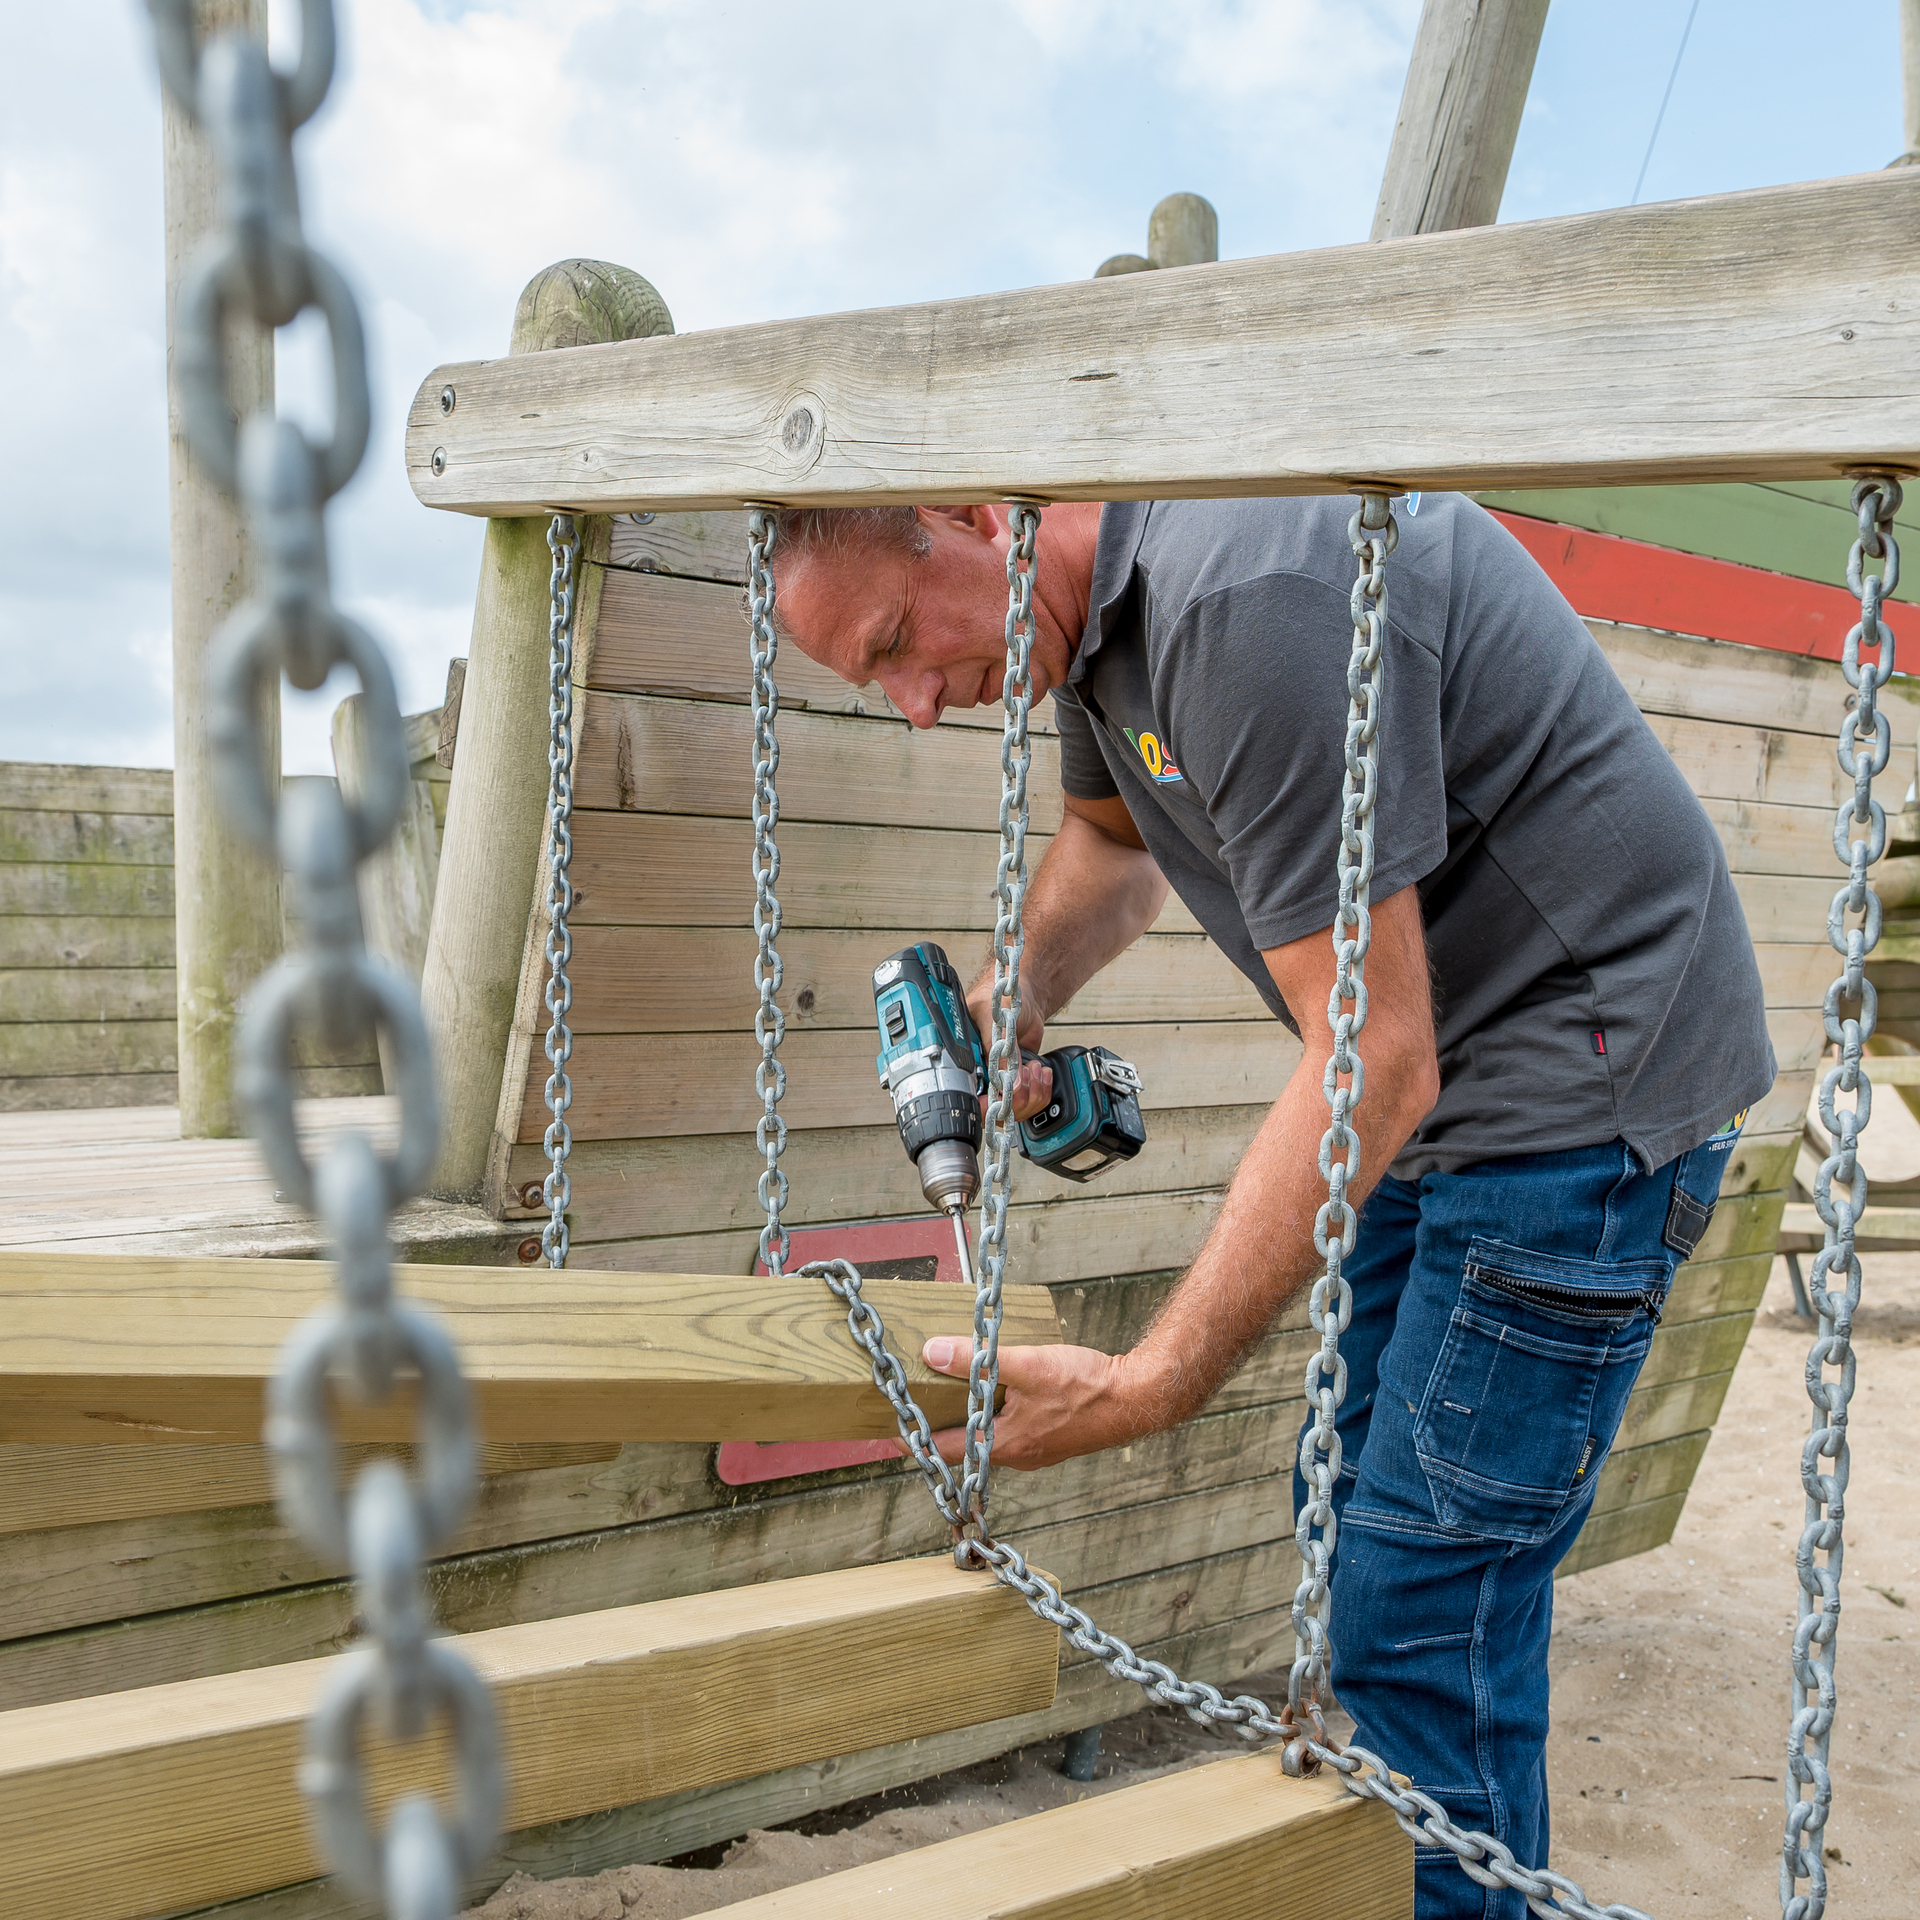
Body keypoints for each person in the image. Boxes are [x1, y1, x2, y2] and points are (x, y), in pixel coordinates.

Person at [769, 495, 1774, 1919]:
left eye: (896, 646)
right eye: (873, 685)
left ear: (973, 515)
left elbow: (1372, 1058)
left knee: (1422, 1602)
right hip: (1456, 1092)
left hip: (1586, 1077)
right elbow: (1114, 850)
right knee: (1368, 1522)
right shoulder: (1094, 623)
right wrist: (1021, 996)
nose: (922, 706)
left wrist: (1147, 1381)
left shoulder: (1244, 596)